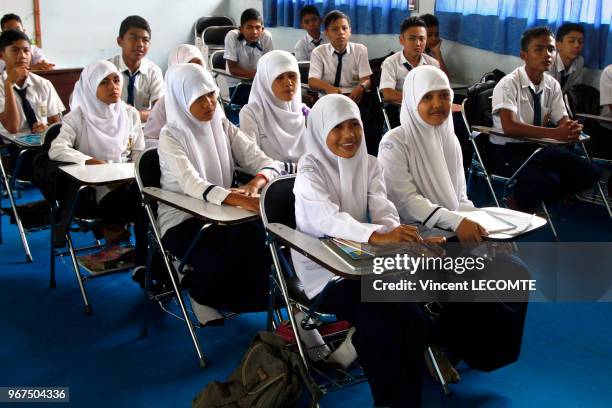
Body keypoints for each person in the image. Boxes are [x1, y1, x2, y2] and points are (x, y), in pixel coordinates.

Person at [157, 63, 279, 316]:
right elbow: (192, 185)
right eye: (199, 98)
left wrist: (255, 183)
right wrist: (238, 199)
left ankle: (257, 302)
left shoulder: (222, 126)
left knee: (263, 242)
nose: (210, 104)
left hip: (223, 212)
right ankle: (201, 293)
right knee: (227, 248)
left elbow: (267, 162)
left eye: (211, 94)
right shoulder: (170, 136)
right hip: (183, 218)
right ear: (181, 100)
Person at [48, 60, 147, 274]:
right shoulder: (78, 117)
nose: (113, 86)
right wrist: (90, 161)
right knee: (145, 203)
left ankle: (148, 259)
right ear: (91, 87)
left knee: (151, 198)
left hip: (128, 183)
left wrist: (130, 173)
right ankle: (144, 260)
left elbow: (139, 152)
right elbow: (56, 149)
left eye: (116, 80)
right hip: (97, 192)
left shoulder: (129, 113)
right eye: (104, 82)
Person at [490, 26, 600, 213]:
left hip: (538, 146)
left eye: (550, 49)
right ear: (524, 55)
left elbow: (562, 120)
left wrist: (571, 129)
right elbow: (509, 127)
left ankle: (533, 202)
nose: (547, 54)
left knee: (591, 172)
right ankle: (519, 201)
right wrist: (555, 134)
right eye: (539, 49)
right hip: (507, 150)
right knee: (548, 180)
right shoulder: (508, 83)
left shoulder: (552, 84)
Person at [308, 10, 379, 153]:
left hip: (354, 97)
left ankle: (365, 153)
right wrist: (330, 89)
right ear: (326, 33)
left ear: (350, 31)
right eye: (335, 29)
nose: (340, 32)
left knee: (369, 124)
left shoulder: (360, 50)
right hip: (328, 98)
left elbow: (366, 79)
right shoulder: (319, 52)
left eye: (344, 28)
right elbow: (312, 81)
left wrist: (361, 87)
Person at [239, 50, 307, 170]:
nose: (288, 83)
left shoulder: (304, 112)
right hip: (273, 182)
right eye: (279, 77)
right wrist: (297, 169)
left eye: (292, 75)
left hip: (310, 179)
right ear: (266, 81)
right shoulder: (252, 114)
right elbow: (251, 159)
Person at [379, 16, 439, 127]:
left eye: (422, 39)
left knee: (459, 127)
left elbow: (439, 90)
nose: (418, 43)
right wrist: (417, 101)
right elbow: (388, 94)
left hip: (430, 112)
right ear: (401, 40)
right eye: (412, 38)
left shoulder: (433, 64)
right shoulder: (391, 62)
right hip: (401, 111)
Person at [0, 29, 63, 134]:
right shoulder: (2, 85)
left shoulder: (44, 84)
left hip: (43, 143)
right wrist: (8, 84)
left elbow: (57, 125)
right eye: (15, 50)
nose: (22, 56)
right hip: (11, 147)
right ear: (1, 55)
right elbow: (13, 127)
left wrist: (47, 129)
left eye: (26, 50)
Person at [142, 44, 204, 147]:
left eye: (199, 65)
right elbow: (149, 140)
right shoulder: (165, 103)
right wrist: (173, 148)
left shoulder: (211, 99)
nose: (196, 71)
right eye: (188, 67)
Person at [109, 15, 164, 123]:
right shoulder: (107, 69)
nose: (140, 44)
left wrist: (134, 115)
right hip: (112, 128)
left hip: (144, 130)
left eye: (145, 40)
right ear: (120, 41)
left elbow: (160, 112)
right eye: (133, 38)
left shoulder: (153, 71)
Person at [223, 8, 273, 105]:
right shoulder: (232, 36)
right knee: (255, 105)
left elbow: (269, 65)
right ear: (241, 29)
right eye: (249, 27)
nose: (254, 31)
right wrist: (259, 75)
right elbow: (233, 69)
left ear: (262, 29)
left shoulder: (266, 37)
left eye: (258, 27)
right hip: (238, 85)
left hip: (260, 83)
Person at [548, 23, 584, 92]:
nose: (577, 45)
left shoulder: (579, 61)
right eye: (571, 41)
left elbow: (575, 90)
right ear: (558, 45)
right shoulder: (547, 61)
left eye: (580, 42)